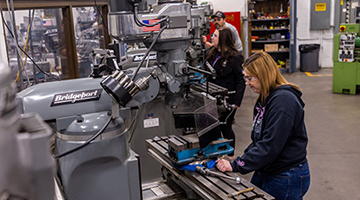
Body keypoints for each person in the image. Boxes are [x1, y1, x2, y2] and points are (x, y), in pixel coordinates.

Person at [215, 52, 311, 200]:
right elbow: (259, 140)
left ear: (264, 75)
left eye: (250, 78)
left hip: (286, 174)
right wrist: (240, 160)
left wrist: (236, 165)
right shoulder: (264, 99)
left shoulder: (283, 102)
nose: (247, 83)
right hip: (269, 168)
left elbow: (269, 145)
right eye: (245, 78)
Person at [205, 27, 245, 156]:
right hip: (212, 96)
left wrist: (237, 102)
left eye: (215, 36)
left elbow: (241, 81)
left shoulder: (235, 57)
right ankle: (217, 154)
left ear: (223, 39)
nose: (212, 37)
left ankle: (230, 155)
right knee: (213, 127)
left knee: (226, 126)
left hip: (229, 98)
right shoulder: (212, 53)